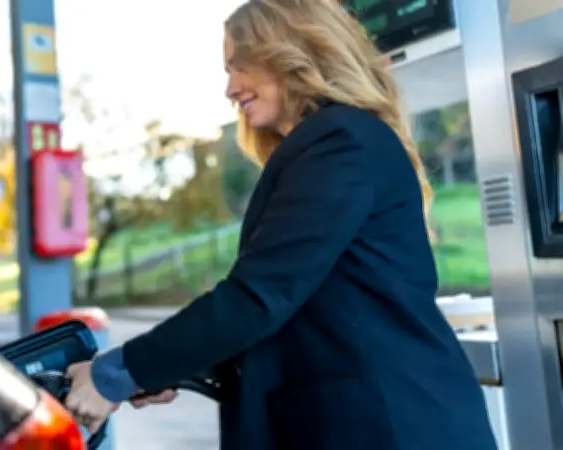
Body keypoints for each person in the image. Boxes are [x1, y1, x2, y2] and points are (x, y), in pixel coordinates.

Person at [64, 0, 498, 449]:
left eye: (239, 67)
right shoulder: (331, 145)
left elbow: (258, 297)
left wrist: (116, 373)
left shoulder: (340, 142)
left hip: (393, 425)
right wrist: (170, 368)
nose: (230, 89)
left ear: (289, 53)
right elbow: (295, 316)